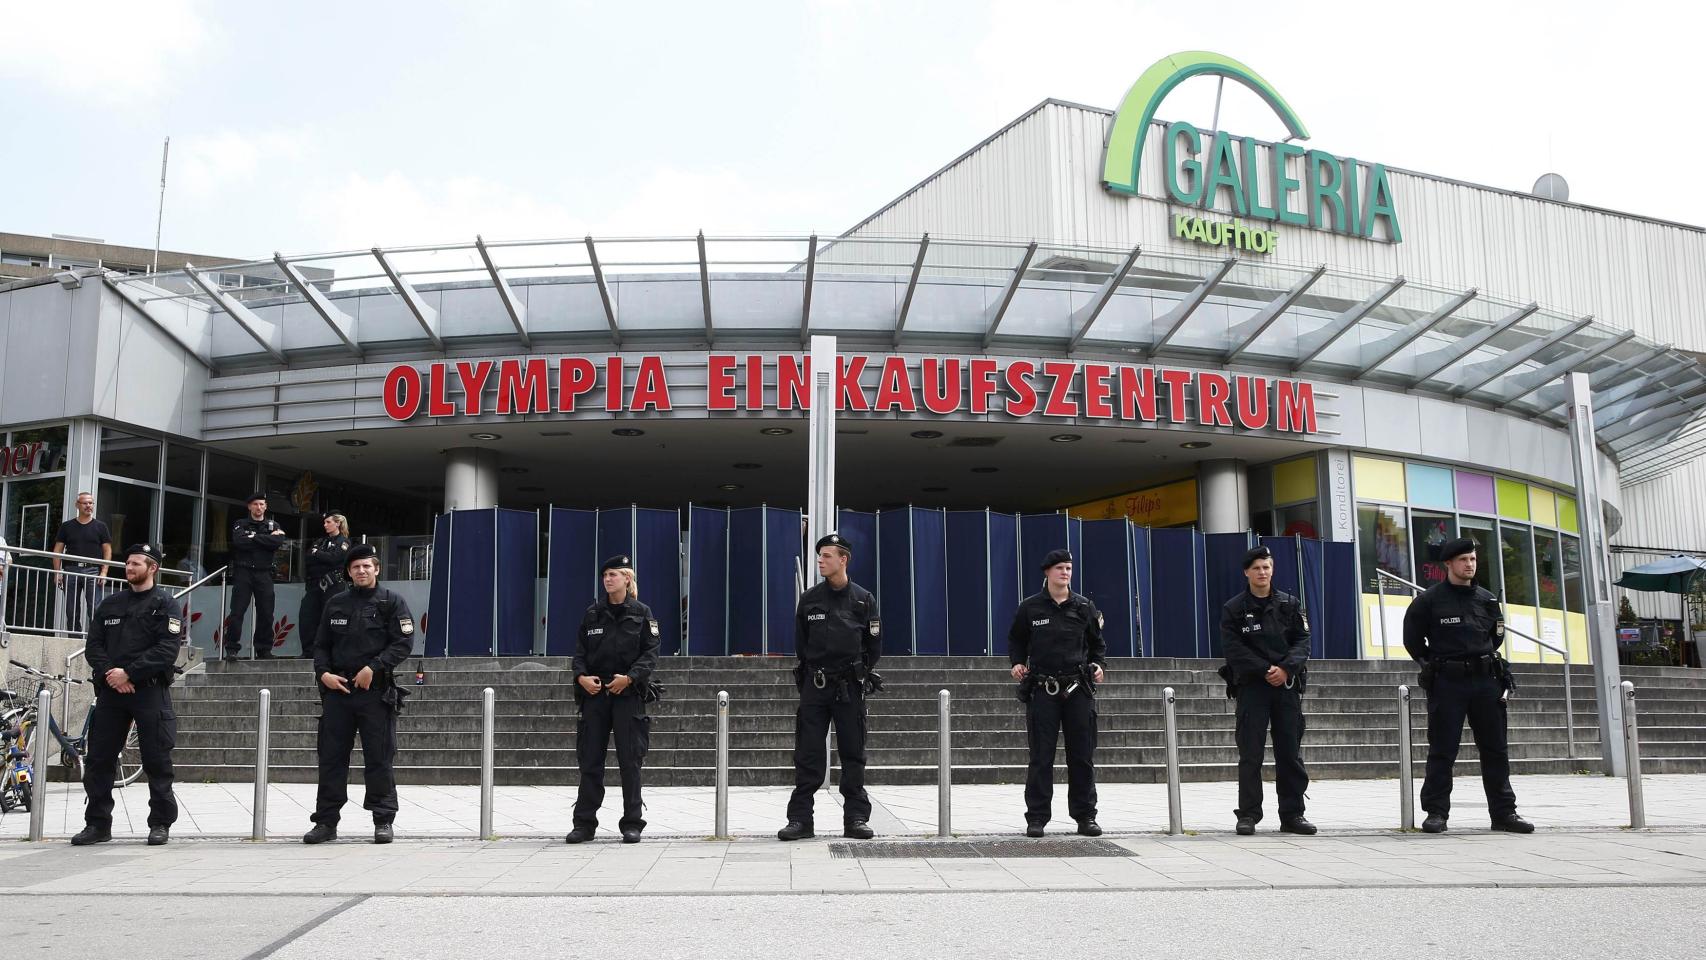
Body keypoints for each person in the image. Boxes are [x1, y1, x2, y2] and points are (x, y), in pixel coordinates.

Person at [1403, 537, 1533, 834]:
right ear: (1448, 563)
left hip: (1486, 680)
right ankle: (1436, 813)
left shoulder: (1487, 599)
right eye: (1463, 560)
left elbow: (1496, 636)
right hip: (1448, 682)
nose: (1469, 564)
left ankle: (1504, 813)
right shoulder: (1429, 601)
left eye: (1473, 559)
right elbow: (1412, 640)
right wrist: (1432, 665)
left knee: (1495, 749)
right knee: (1443, 749)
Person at [71, 543, 183, 846]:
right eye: (128, 563)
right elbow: (94, 646)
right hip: (112, 692)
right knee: (99, 759)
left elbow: (167, 650)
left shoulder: (166, 604)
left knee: (157, 760)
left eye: (136, 564)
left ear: (152, 568)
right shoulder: (111, 604)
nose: (129, 568)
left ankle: (160, 823)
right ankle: (97, 824)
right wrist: (113, 674)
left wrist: (130, 673)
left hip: (149, 691)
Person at [303, 544, 414, 844]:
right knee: (331, 759)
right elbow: (321, 645)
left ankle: (383, 820)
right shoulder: (336, 603)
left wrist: (373, 667)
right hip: (337, 692)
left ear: (376, 568)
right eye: (356, 567)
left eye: (367, 566)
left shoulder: (391, 601)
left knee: (379, 758)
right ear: (349, 572)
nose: (361, 571)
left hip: (374, 693)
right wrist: (323, 674)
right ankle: (326, 822)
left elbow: (403, 643)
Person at [779, 532, 881, 841]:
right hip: (816, 684)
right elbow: (801, 645)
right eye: (819, 556)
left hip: (849, 685)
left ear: (843, 559)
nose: (820, 561)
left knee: (853, 752)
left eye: (826, 556)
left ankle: (856, 818)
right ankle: (800, 820)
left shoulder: (863, 599)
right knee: (807, 752)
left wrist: (860, 672)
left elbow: (873, 646)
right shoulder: (810, 599)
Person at [1009, 549, 1106, 837]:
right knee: (1041, 756)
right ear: (1047, 572)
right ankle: (1037, 818)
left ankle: (1085, 816)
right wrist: (1017, 663)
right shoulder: (1030, 608)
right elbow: (1017, 640)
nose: (1065, 573)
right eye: (1060, 568)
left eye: (1069, 568)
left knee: (1082, 756)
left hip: (1078, 689)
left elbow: (1097, 644)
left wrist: (1099, 665)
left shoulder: (1084, 606)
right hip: (1043, 689)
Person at [1220, 545, 1315, 836]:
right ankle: (1248, 814)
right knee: (1251, 754)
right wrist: (1264, 669)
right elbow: (1233, 649)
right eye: (1257, 568)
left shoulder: (1290, 604)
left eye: (1266, 567)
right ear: (1246, 572)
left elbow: (1303, 641)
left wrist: (1285, 669)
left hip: (1286, 687)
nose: (1262, 572)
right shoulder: (1234, 608)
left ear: (1272, 569)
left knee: (1290, 753)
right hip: (1253, 688)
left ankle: (1293, 814)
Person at [566, 555, 660, 844]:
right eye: (605, 575)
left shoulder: (642, 613)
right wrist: (581, 677)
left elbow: (651, 653)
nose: (607, 579)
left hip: (627, 695)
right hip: (596, 694)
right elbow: (579, 653)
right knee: (590, 761)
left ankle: (632, 823)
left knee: (630, 761)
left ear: (627, 579)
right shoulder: (593, 613)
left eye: (613, 574)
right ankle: (584, 824)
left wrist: (629, 678)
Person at [224, 492, 287, 659]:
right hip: (244, 572)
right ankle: (231, 648)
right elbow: (240, 542)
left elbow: (277, 542)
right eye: (255, 504)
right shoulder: (241, 524)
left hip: (264, 573)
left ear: (266, 507)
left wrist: (254, 537)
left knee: (266, 613)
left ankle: (264, 649)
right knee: (237, 612)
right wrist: (266, 539)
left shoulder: (273, 525)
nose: (258, 507)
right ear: (249, 506)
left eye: (261, 504)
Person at [53, 491, 113, 633]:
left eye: (91, 503)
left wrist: (104, 572)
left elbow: (107, 550)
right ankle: (74, 638)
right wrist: (57, 572)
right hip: (71, 570)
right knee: (71, 609)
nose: (88, 506)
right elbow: (57, 550)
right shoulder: (67, 526)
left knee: (95, 608)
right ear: (77, 505)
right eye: (85, 503)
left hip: (93, 571)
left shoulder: (101, 526)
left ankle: (95, 638)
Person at [298, 512, 351, 657]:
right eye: (325, 522)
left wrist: (318, 554)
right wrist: (321, 556)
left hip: (333, 585)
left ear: (337, 523)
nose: (325, 525)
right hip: (314, 585)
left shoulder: (344, 542)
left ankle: (330, 652)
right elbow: (308, 558)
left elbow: (335, 558)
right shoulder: (320, 541)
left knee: (330, 618)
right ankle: (308, 651)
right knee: (307, 616)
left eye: (328, 522)